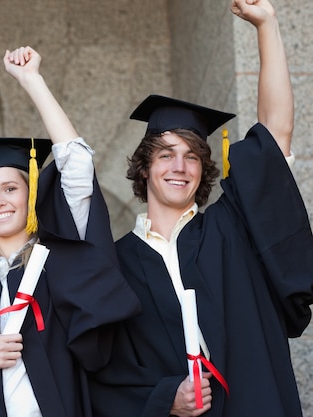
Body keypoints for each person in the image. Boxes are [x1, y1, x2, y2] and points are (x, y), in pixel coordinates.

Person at [87, 1, 313, 416]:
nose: (179, 167)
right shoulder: (118, 264)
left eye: (192, 156)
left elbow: (274, 134)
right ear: (144, 167)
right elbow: (107, 375)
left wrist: (267, 25)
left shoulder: (232, 229)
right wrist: (164, 398)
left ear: (203, 169)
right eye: (166, 155)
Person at [0, 46, 140, 417]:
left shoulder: (60, 266)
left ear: (32, 193)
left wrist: (32, 81)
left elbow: (78, 167)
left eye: (11, 188)